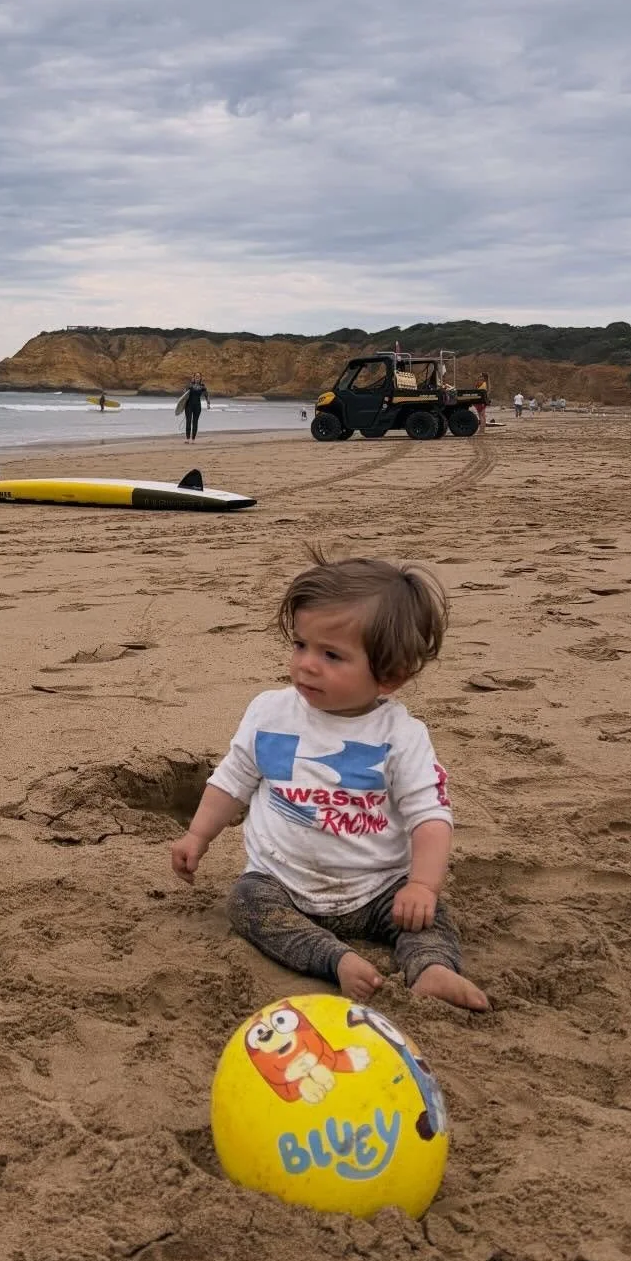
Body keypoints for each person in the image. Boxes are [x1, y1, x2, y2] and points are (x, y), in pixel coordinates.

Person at [168, 553, 488, 1011]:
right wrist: (197, 834)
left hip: (377, 889)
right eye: (301, 645)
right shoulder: (270, 713)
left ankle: (432, 969)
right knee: (245, 902)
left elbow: (430, 818)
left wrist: (421, 885)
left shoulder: (401, 736)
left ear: (390, 676)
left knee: (428, 917)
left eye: (332, 655)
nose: (307, 665)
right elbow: (233, 779)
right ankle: (333, 958)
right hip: (282, 882)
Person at [182, 372, 209, 441]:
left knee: (195, 422)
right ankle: (188, 439)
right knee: (188, 421)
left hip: (197, 406)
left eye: (199, 376)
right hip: (188, 405)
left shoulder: (202, 386)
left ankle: (193, 439)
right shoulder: (190, 385)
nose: (197, 377)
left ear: (200, 378)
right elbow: (184, 393)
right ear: (194, 377)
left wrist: (208, 403)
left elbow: (206, 394)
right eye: (196, 376)